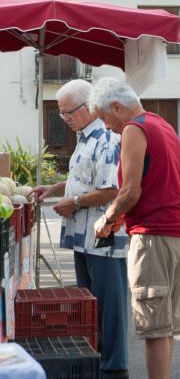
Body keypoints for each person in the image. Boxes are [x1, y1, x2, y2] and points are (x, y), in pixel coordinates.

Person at [89, 78, 180, 379]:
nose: (107, 127)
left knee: (153, 326)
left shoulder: (134, 129)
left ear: (116, 106)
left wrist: (107, 219)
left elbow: (130, 191)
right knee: (166, 326)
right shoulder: (162, 124)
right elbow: (155, 184)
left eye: (105, 118)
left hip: (153, 235)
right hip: (178, 232)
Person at [30, 79, 129, 379]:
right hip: (82, 237)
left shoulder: (107, 138)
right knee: (90, 306)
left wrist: (73, 202)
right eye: (61, 114)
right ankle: (97, 360)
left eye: (68, 112)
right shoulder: (85, 138)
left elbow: (112, 189)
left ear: (87, 108)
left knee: (109, 306)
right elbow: (83, 181)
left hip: (103, 237)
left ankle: (115, 367)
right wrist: (55, 188)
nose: (65, 119)